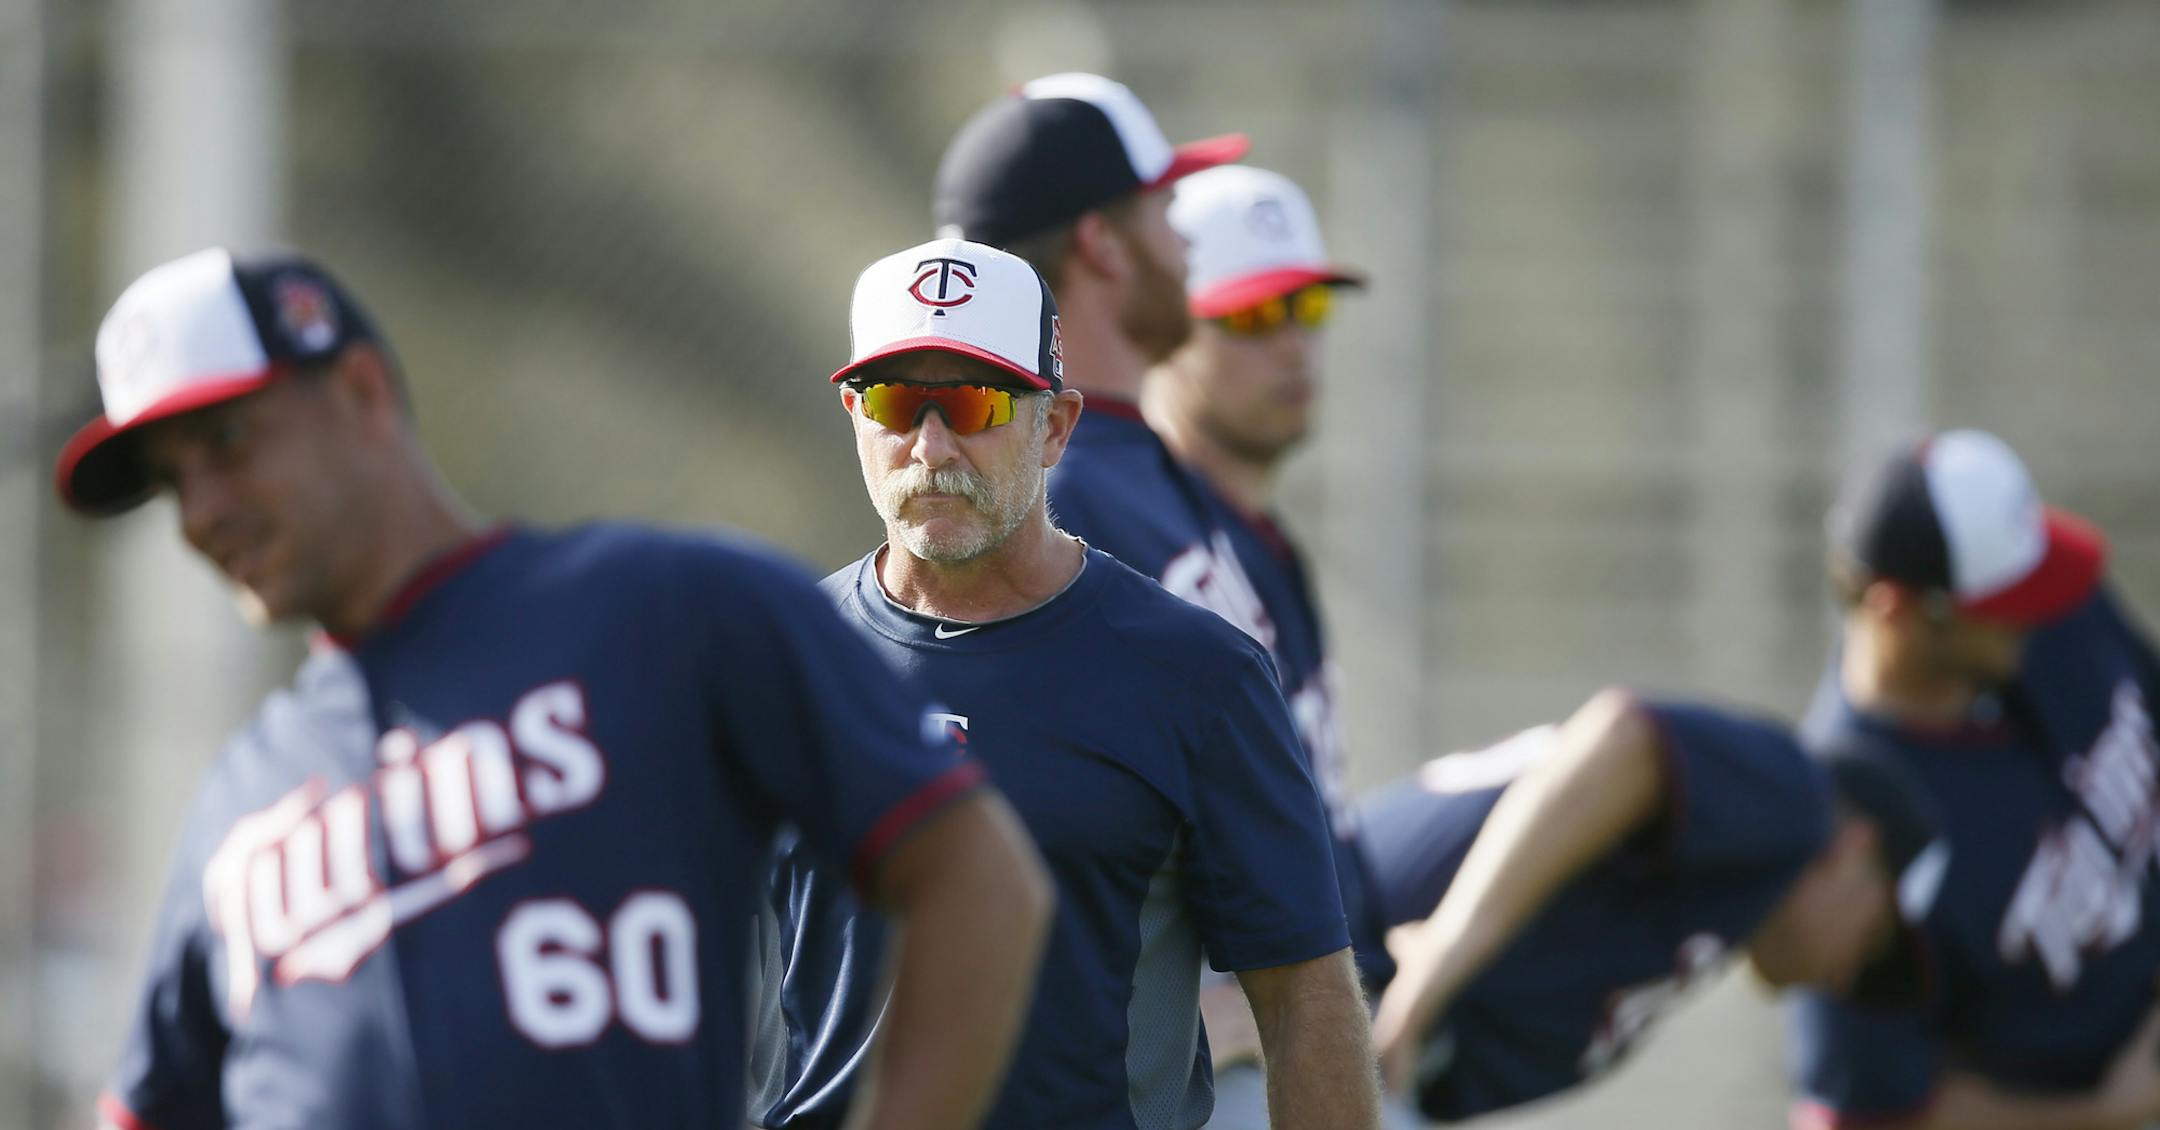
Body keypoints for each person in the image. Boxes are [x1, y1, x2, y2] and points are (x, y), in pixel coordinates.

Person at [58, 247, 1054, 1130]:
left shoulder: (670, 609)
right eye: (170, 477)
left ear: (362, 391)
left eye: (229, 444)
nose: (203, 510)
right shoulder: (244, 791)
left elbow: (978, 877)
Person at [752, 238, 1381, 1130]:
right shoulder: (779, 665)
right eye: (896, 402)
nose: (930, 445)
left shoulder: (1197, 676)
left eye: (973, 403)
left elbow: (1305, 995)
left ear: (1055, 427)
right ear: (854, 415)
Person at [934, 80, 1397, 1117]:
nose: (1186, 240)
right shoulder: (1056, 497)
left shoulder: (1152, 472)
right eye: (1162, 209)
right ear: (1104, 244)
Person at [1785, 428, 2160, 1130]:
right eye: (2005, 603)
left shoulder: (2050, 604)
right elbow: (1867, 1117)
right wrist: (2107, 1109)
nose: (2037, 607)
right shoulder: (1848, 828)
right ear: (1897, 608)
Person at [1361, 690, 1947, 1122]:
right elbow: (1624, 737)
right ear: (1855, 850)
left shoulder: (1710, 906)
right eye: (1871, 946)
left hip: (1340, 1009)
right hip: (1319, 970)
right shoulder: (1797, 801)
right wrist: (1445, 949)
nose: (1843, 978)